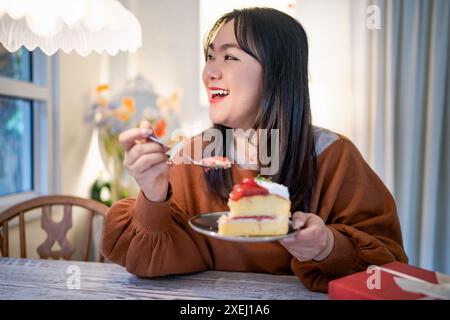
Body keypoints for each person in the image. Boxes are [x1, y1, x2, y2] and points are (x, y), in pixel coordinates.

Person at [101, 7, 408, 293]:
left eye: (229, 57)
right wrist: (154, 196)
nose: (210, 72)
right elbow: (146, 264)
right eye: (209, 57)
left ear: (276, 73)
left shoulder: (333, 156)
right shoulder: (190, 154)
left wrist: (328, 247)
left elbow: (389, 272)